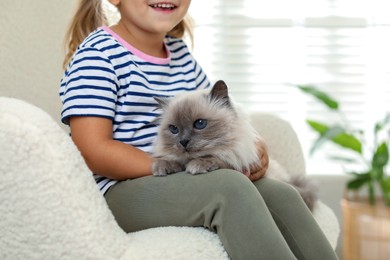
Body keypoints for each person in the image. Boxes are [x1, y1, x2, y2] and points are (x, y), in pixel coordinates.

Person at [60, 0, 338, 259]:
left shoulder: (181, 56)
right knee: (228, 189)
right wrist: (174, 166)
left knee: (282, 193)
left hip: (181, 178)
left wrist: (255, 147)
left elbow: (222, 112)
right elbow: (92, 151)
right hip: (119, 192)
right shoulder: (98, 54)